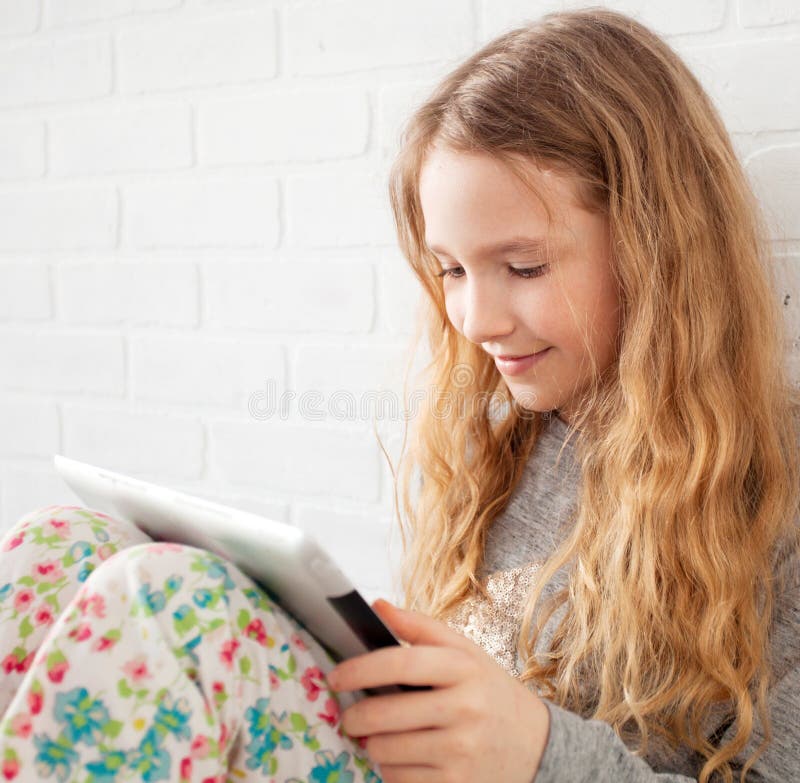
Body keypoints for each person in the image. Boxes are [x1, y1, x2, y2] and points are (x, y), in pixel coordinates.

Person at [1, 6, 798, 782]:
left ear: (656, 248)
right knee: (58, 545)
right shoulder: (503, 441)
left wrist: (540, 754)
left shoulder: (776, 502)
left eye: (524, 267)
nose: (476, 320)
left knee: (163, 600)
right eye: (451, 269)